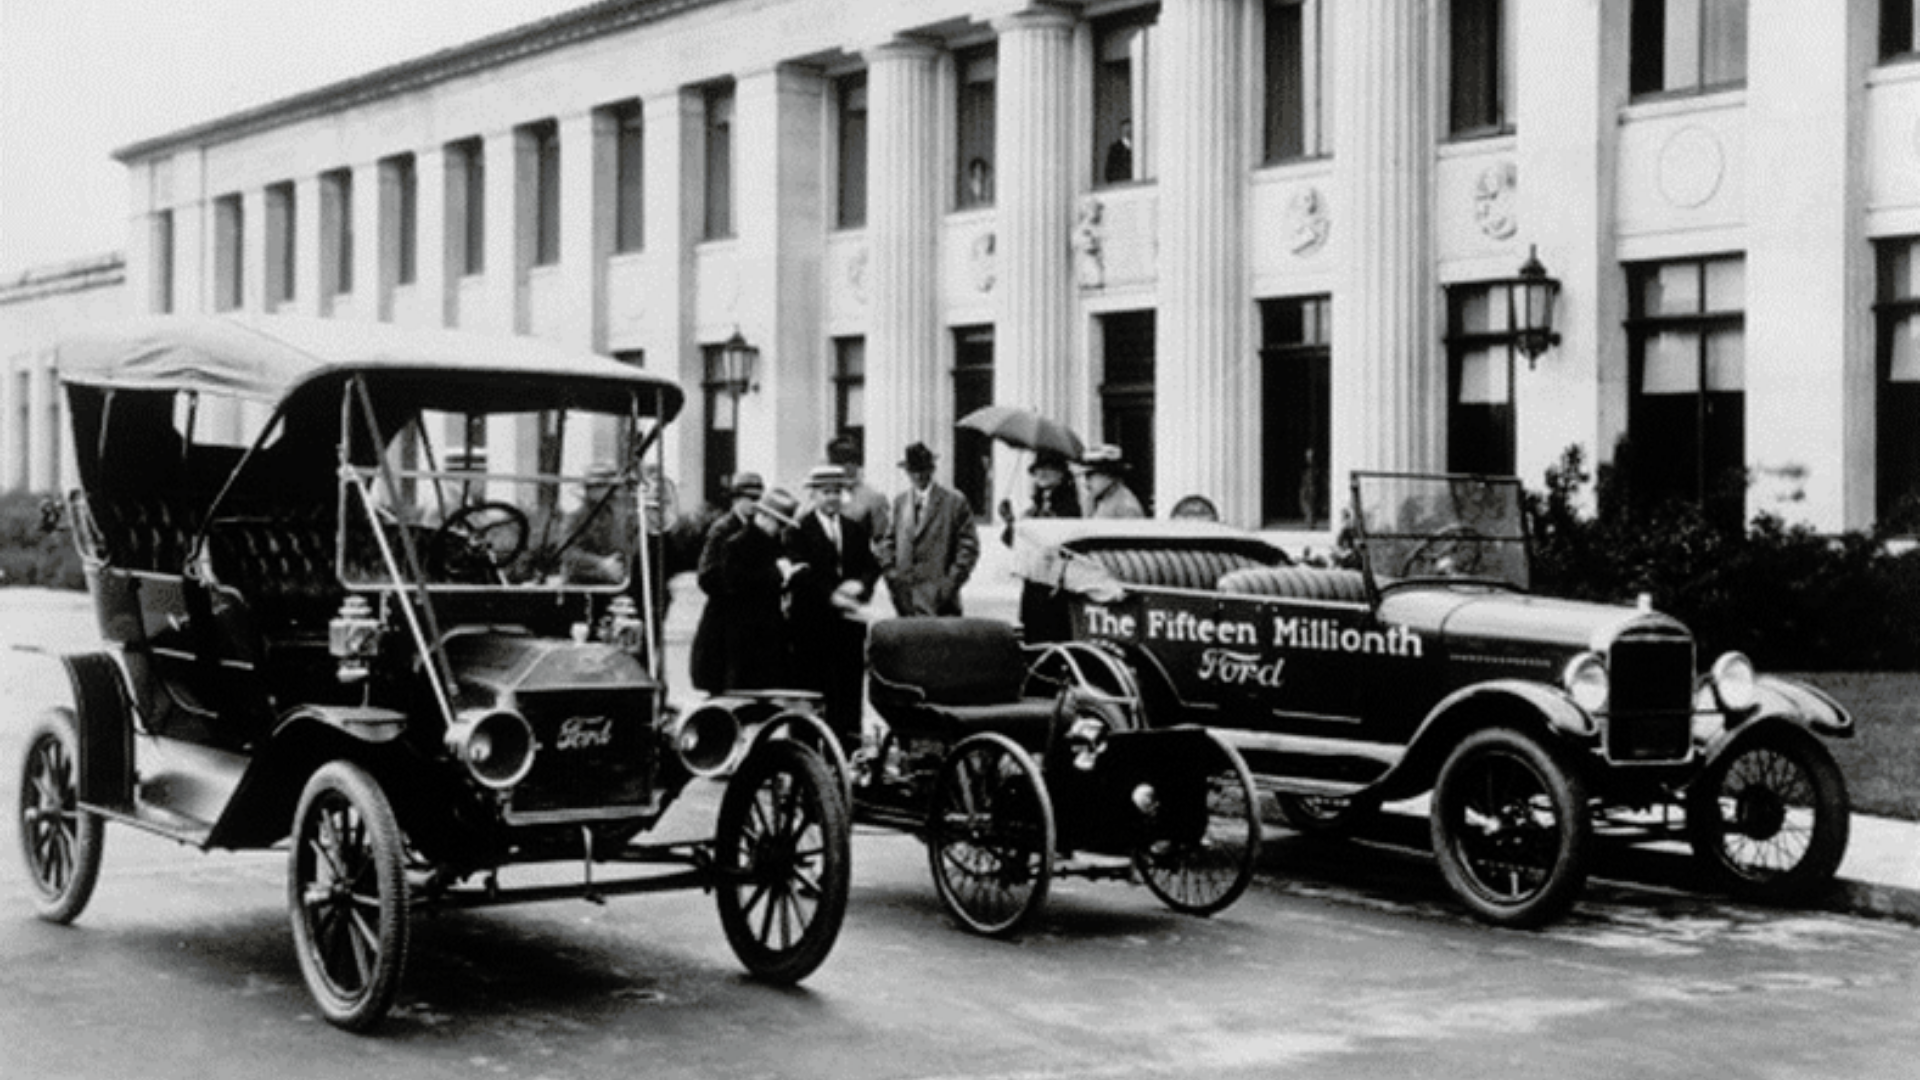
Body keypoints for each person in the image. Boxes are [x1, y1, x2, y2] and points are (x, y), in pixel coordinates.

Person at [787, 463, 881, 748]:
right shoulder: (798, 531)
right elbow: (801, 576)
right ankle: (805, 760)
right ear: (813, 495)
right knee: (813, 696)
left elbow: (871, 565)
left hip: (849, 630)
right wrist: (831, 595)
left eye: (837, 492)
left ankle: (847, 759)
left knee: (848, 695)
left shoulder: (854, 529)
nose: (832, 498)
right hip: (812, 629)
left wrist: (860, 586)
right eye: (826, 492)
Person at [715, 487, 802, 691]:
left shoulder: (774, 544)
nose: (780, 530)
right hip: (746, 634)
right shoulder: (736, 545)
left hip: (770, 631)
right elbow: (734, 584)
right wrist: (778, 575)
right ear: (762, 516)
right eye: (778, 524)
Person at [881, 442, 980, 617]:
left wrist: (950, 582)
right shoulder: (900, 502)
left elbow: (969, 547)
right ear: (906, 472)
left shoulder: (954, 501)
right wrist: (892, 576)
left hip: (942, 600)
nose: (918, 476)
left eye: (923, 469)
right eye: (913, 471)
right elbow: (887, 542)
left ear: (932, 469)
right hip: (906, 599)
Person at [689, 471, 765, 694]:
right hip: (725, 620)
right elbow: (707, 575)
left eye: (759, 499)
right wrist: (737, 584)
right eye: (750, 499)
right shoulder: (722, 529)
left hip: (749, 621)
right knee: (724, 682)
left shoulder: (760, 529)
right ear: (736, 499)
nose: (755, 505)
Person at [997, 448, 1082, 547]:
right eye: (1038, 469)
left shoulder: (1068, 506)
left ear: (1061, 473)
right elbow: (1012, 543)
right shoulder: (1035, 508)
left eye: (1048, 467)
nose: (1042, 473)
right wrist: (1010, 521)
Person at [827, 434, 890, 554]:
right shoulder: (820, 497)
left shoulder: (873, 497)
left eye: (851, 461)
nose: (846, 467)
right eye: (839, 462)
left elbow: (883, 540)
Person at [1079, 444, 1147, 519]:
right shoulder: (1100, 499)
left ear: (1109, 474)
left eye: (1090, 475)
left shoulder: (1126, 508)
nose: (1086, 484)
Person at [1104, 119, 1133, 184]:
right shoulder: (1115, 148)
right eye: (1125, 128)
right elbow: (1109, 172)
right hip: (1120, 185)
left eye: (1130, 128)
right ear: (1121, 130)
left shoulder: (1138, 148)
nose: (1128, 131)